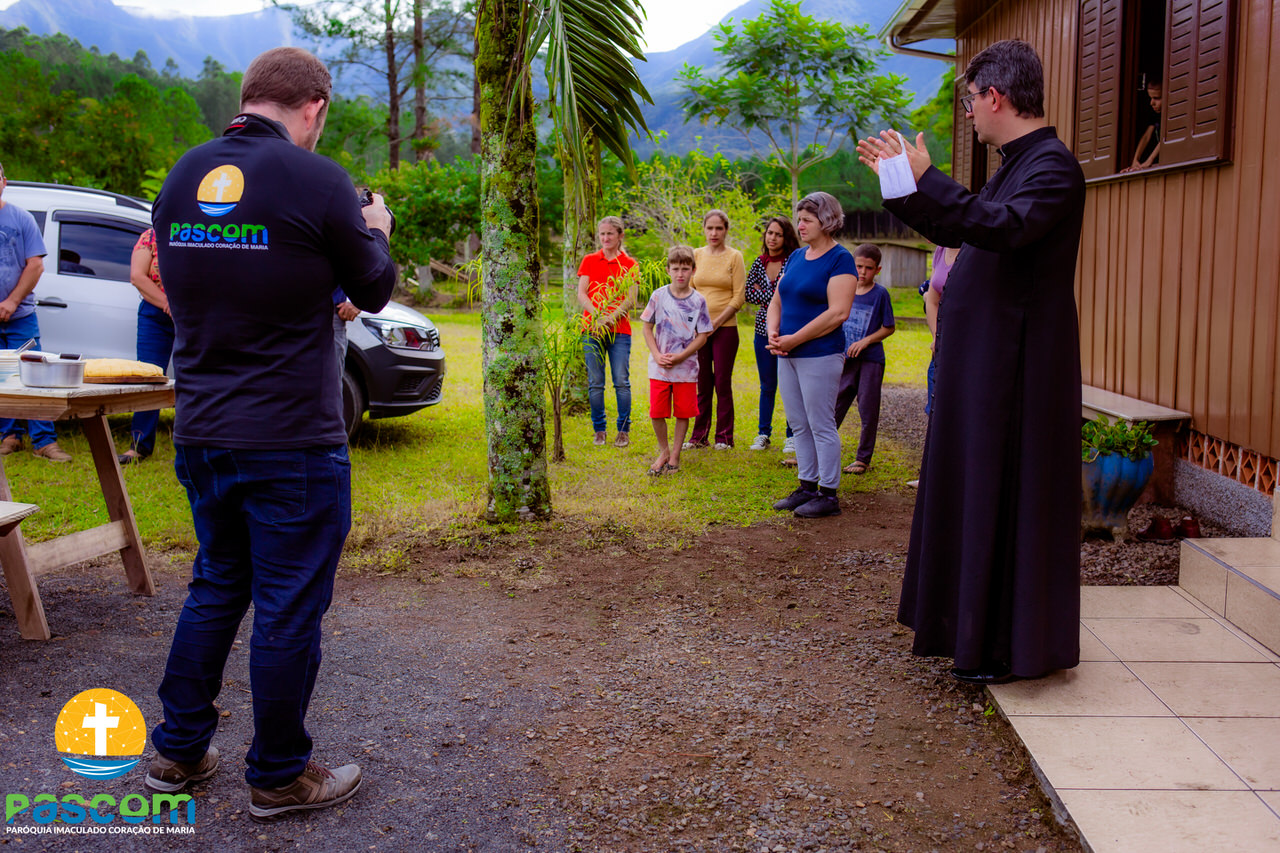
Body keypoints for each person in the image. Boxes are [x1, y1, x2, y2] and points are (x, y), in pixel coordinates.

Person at [145, 47, 397, 820]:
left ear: (249, 97)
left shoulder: (184, 175)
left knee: (218, 582)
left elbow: (186, 287)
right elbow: (374, 289)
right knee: (287, 603)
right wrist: (376, 228)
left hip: (203, 428)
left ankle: (178, 750)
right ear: (314, 107)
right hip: (291, 437)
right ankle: (280, 773)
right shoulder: (317, 180)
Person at [856, 38, 1086, 684]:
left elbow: (1002, 228)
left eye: (971, 103)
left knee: (1005, 493)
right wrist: (903, 182)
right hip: (987, 359)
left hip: (1018, 366)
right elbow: (963, 226)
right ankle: (969, 629)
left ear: (996, 96)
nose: (970, 115)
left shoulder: (1054, 168)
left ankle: (1006, 644)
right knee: (975, 487)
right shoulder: (1016, 165)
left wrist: (929, 176)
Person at [766, 192, 857, 519]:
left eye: (807, 220)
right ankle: (806, 487)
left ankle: (828, 494)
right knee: (798, 423)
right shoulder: (796, 257)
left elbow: (838, 312)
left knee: (821, 424)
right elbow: (777, 299)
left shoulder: (840, 260)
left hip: (819, 354)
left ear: (827, 221)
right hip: (787, 353)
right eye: (799, 219)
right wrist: (774, 332)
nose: (800, 225)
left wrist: (795, 339)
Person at [0, 162, 71, 463]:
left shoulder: (21, 218)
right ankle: (8, 437)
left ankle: (44, 442)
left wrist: (11, 302)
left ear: (4, 182)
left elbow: (36, 265)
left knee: (35, 375)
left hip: (21, 316)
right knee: (1, 380)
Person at [640, 246, 712, 475]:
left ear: (693, 270)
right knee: (657, 412)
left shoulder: (698, 301)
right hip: (659, 368)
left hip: (686, 369)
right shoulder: (658, 296)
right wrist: (656, 354)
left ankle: (675, 455)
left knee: (683, 412)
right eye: (676, 269)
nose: (680, 274)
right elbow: (647, 327)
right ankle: (663, 451)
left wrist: (682, 356)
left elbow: (703, 335)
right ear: (668, 270)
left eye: (685, 269)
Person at [833, 243, 895, 475]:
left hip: (870, 360)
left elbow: (889, 327)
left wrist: (866, 341)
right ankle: (817, 451)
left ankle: (862, 459)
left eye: (868, 268)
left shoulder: (880, 294)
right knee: (835, 405)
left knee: (868, 409)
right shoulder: (843, 289)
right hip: (844, 359)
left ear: (877, 270)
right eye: (858, 266)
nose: (862, 272)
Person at [686, 209, 746, 449]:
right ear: (704, 229)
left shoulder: (734, 256)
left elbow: (739, 296)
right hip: (699, 331)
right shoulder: (696, 255)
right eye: (709, 228)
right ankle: (699, 437)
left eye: (718, 228)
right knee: (702, 384)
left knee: (722, 382)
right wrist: (696, 324)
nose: (714, 233)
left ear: (726, 230)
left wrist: (716, 322)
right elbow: (688, 291)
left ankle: (724, 438)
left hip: (725, 329)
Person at [577, 216, 637, 448]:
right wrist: (598, 316)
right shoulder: (590, 260)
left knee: (621, 381)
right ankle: (599, 430)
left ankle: (623, 430)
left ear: (620, 235)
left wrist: (610, 318)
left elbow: (630, 299)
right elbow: (582, 293)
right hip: (592, 330)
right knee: (596, 382)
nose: (605, 238)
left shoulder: (629, 264)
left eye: (610, 233)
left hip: (619, 330)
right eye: (602, 233)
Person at [118, 228, 174, 465]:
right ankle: (139, 446)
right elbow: (137, 277)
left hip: (193, 313)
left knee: (194, 378)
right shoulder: (150, 236)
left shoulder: (196, 234)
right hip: (155, 313)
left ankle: (193, 444)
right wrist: (168, 304)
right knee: (149, 377)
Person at [744, 216, 800, 453]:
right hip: (762, 331)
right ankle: (763, 434)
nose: (773, 238)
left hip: (788, 330)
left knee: (791, 385)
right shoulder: (759, 263)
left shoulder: (794, 261)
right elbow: (748, 293)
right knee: (767, 385)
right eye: (770, 233)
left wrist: (766, 293)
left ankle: (792, 435)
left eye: (778, 234)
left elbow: (792, 293)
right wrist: (776, 293)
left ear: (786, 238)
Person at [922, 243, 960, 415]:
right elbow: (932, 300)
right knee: (935, 407)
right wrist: (937, 337)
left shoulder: (975, 251)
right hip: (942, 344)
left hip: (966, 342)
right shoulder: (941, 250)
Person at [1119, 78, 1161, 174]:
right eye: (1151, 98)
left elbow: (1165, 139)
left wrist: (1149, 160)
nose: (1152, 103)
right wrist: (1135, 160)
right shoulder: (1155, 114)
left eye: (1157, 98)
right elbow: (1146, 136)